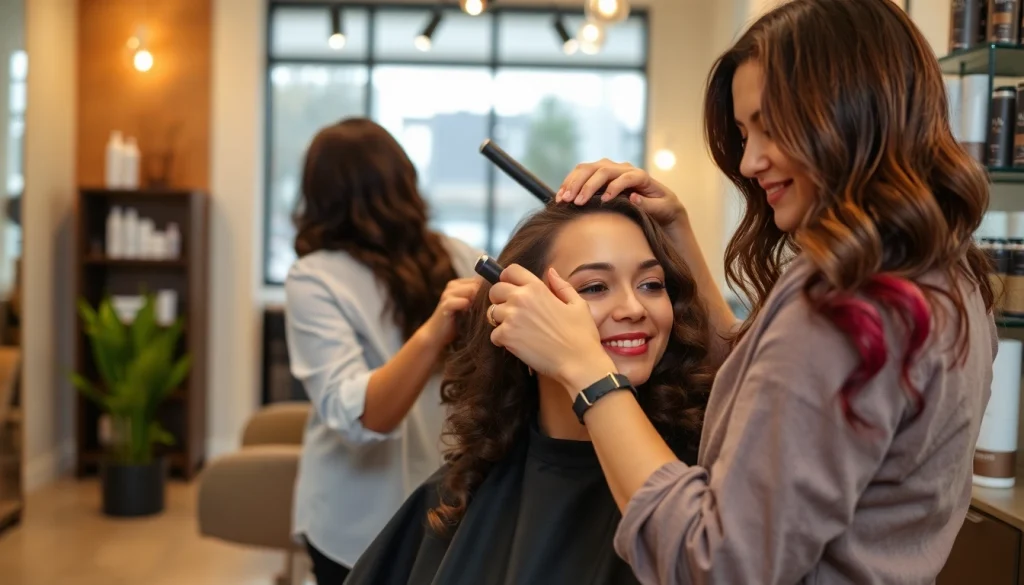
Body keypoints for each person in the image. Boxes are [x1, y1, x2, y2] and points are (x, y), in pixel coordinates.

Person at [485, 1, 998, 583]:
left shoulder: (847, 301)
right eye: (743, 132)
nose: (750, 161)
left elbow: (718, 562)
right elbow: (782, 406)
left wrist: (586, 373)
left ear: (852, 114)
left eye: (770, 128)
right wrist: (678, 235)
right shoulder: (947, 273)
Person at [345, 196, 715, 585]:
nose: (633, 307)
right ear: (515, 314)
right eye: (593, 287)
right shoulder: (464, 489)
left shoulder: (695, 494)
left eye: (651, 284)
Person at [285, 118, 482, 583]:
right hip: (356, 522)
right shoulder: (315, 278)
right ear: (403, 182)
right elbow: (366, 416)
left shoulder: (456, 256)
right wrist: (434, 331)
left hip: (448, 504)